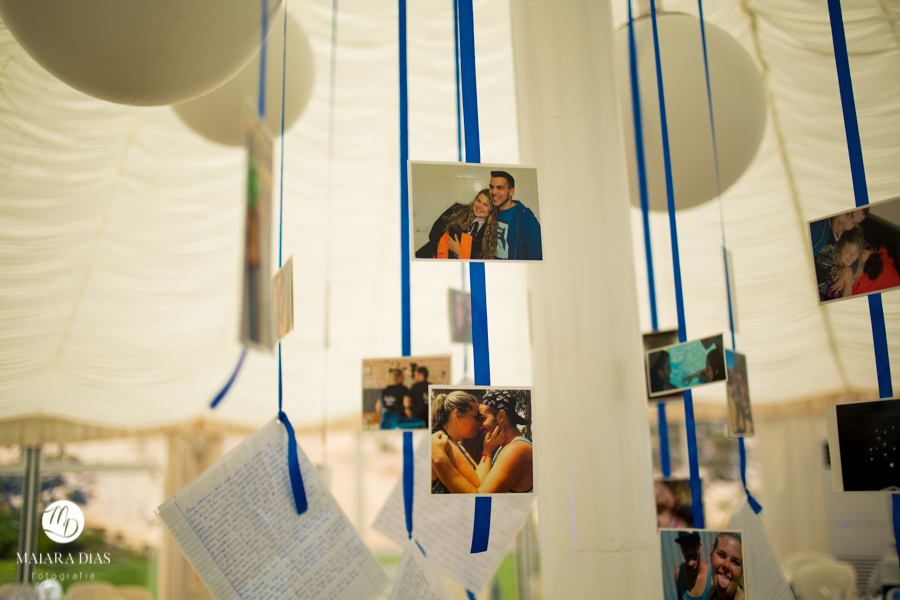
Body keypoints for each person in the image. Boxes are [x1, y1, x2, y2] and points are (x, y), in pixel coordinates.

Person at [432, 389, 533, 494]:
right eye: (476, 418)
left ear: (501, 416)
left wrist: (439, 460)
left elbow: (480, 497)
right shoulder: (501, 449)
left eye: (482, 418)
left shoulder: (516, 450)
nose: (479, 425)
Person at [430, 391, 490, 494]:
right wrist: (488, 451)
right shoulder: (444, 443)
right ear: (457, 415)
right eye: (475, 417)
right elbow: (480, 486)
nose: (478, 423)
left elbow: (477, 473)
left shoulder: (455, 444)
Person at [415, 190, 498, 259]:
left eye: (485, 204)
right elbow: (433, 234)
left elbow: (482, 259)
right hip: (433, 258)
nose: (479, 206)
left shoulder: (490, 233)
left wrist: (459, 252)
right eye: (478, 200)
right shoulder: (456, 210)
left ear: (492, 210)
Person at [810, 208, 867, 298]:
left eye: (854, 222)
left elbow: (861, 248)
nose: (847, 225)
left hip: (826, 289)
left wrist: (847, 272)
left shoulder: (849, 234)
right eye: (848, 214)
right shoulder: (818, 226)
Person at [489, 171, 542, 260]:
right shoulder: (490, 212)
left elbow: (536, 258)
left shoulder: (526, 219)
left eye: (500, 188)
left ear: (511, 191)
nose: (494, 191)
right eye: (491, 187)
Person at [822, 225, 870, 300]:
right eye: (847, 251)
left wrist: (870, 253)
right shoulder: (832, 269)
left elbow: (872, 248)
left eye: (856, 252)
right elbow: (846, 300)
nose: (851, 256)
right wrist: (848, 278)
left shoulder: (856, 262)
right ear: (840, 248)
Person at [673, 531, 711, 600]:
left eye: (693, 545)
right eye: (685, 546)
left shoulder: (712, 576)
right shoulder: (678, 573)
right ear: (681, 550)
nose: (690, 552)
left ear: (700, 547)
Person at [706, 532, 744, 600]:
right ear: (711, 556)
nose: (726, 565)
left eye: (735, 562)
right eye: (721, 556)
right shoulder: (711, 592)